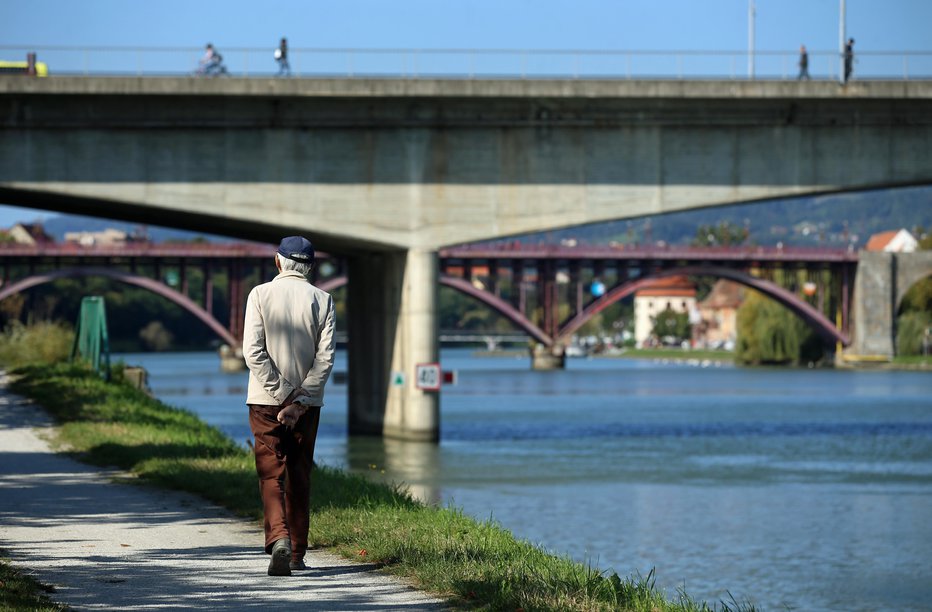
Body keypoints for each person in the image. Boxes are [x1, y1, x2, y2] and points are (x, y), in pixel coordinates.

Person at [242, 236, 335, 576]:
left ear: (277, 261)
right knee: (299, 474)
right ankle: (296, 553)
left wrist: (281, 393)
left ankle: (278, 537)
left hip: (265, 401)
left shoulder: (259, 294)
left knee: (271, 474)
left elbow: (253, 351)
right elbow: (325, 359)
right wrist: (300, 398)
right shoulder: (324, 300)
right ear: (310, 266)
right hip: (308, 406)